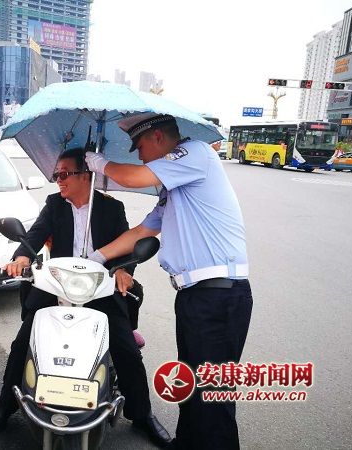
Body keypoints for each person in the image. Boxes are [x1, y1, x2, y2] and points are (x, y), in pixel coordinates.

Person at [0, 148, 173, 448]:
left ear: (86, 175)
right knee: (23, 343)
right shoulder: (54, 204)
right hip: (57, 286)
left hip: (99, 288)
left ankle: (141, 414)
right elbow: (35, 235)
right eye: (56, 174)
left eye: (64, 174)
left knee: (125, 348)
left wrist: (125, 271)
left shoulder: (111, 208)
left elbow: (125, 245)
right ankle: (5, 406)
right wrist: (21, 257)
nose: (58, 180)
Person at [85, 113, 253, 450]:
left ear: (158, 137)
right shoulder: (175, 187)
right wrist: (95, 258)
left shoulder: (196, 153)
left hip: (218, 296)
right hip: (195, 297)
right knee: (191, 386)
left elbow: (134, 177)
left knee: (212, 398)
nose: (139, 155)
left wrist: (99, 163)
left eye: (140, 146)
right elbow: (142, 231)